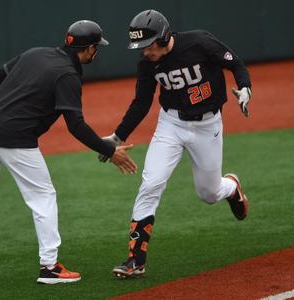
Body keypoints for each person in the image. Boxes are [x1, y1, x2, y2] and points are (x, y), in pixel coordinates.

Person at [0, 20, 138, 286]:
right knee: (43, 196)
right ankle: (50, 267)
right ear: (89, 48)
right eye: (96, 47)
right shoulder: (68, 74)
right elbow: (75, 126)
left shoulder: (36, 52)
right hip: (15, 139)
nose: (96, 52)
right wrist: (110, 151)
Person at [98, 10, 252, 278]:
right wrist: (118, 136)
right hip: (171, 125)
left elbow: (235, 63)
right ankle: (136, 260)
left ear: (164, 36)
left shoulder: (199, 42)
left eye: (148, 45)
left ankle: (232, 188)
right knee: (151, 183)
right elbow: (142, 102)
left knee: (209, 193)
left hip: (207, 126)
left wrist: (245, 87)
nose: (145, 52)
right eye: (140, 47)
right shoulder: (147, 64)